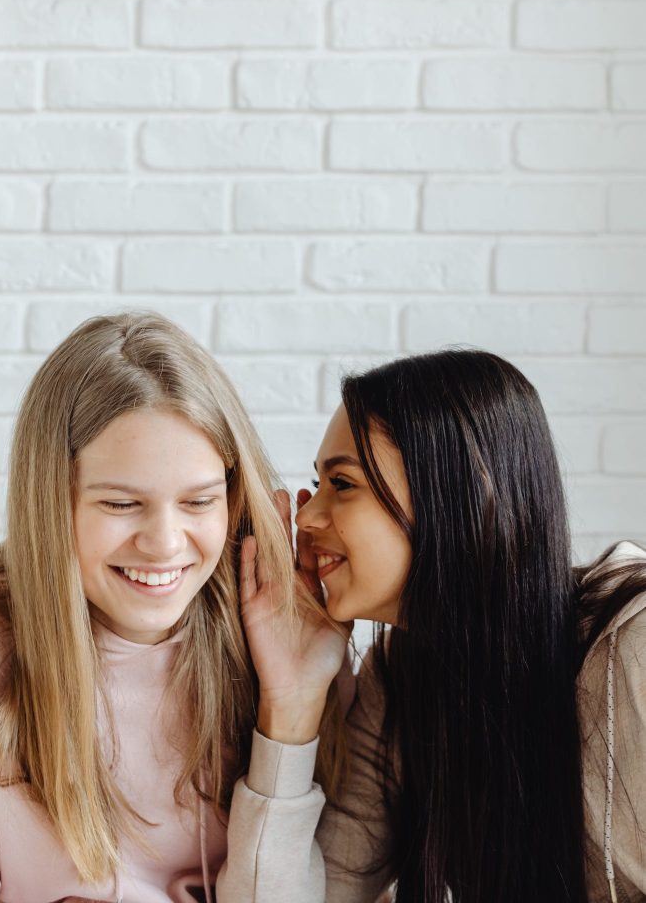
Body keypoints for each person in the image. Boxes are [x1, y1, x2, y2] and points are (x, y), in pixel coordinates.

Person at [221, 349, 646, 903]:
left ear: (463, 494)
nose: (306, 516)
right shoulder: (398, 679)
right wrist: (291, 697)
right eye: (316, 484)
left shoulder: (632, 647)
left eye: (342, 484)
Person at [0, 311, 343, 903]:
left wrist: (288, 710)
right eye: (121, 504)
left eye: (199, 501)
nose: (165, 544)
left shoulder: (280, 636)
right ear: (51, 502)